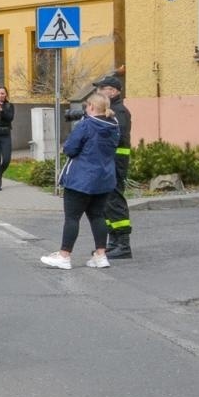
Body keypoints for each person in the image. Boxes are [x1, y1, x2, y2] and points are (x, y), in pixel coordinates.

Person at [41, 92, 119, 270]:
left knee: (72, 218)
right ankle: (101, 256)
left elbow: (70, 148)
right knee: (98, 216)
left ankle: (64, 256)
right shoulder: (114, 126)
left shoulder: (86, 125)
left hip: (81, 179)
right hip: (104, 179)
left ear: (91, 107)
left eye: (87, 106)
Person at [93, 73, 135, 259]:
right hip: (108, 160)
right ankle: (113, 241)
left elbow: (115, 136)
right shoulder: (112, 110)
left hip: (115, 161)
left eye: (101, 89)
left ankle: (124, 245)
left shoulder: (119, 111)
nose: (98, 92)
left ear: (112, 91)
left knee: (114, 200)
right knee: (107, 202)